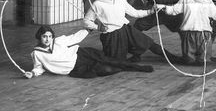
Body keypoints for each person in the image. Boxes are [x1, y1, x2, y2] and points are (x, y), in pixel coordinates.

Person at [84, 0, 182, 63]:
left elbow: (135, 13)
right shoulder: (97, 4)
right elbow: (86, 21)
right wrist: (98, 27)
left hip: (125, 30)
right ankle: (130, 58)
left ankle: (174, 59)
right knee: (116, 63)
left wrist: (150, 11)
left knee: (149, 43)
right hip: (111, 37)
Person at [24, 26, 153, 79]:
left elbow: (75, 38)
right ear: (39, 37)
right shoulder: (36, 53)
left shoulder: (58, 41)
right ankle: (125, 66)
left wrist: (88, 29)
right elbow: (39, 68)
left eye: (49, 36)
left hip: (81, 54)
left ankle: (137, 67)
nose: (47, 39)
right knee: (106, 70)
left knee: (109, 60)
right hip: (74, 69)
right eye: (44, 37)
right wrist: (32, 73)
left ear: (52, 36)